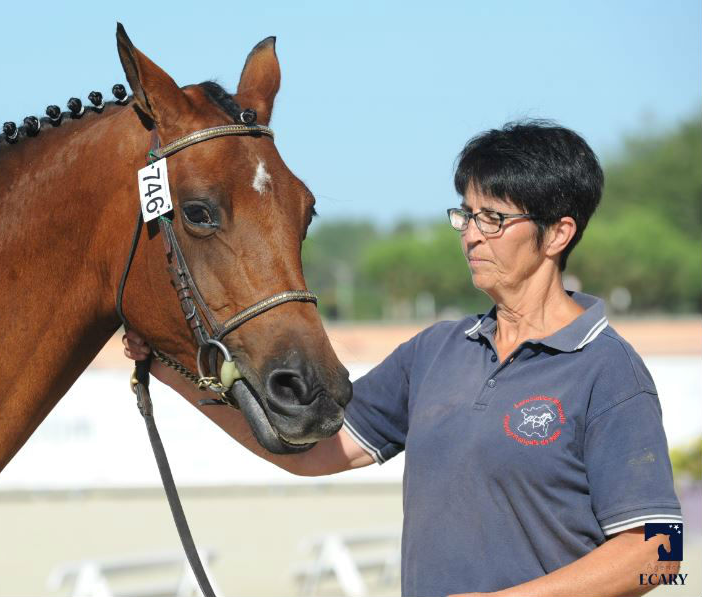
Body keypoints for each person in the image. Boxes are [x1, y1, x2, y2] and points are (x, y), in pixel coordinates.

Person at [122, 120, 682, 597]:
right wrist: (171, 371)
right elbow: (313, 453)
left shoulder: (607, 371)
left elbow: (660, 553)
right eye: (465, 215)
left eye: (493, 219)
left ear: (558, 233)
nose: (470, 237)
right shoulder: (435, 351)